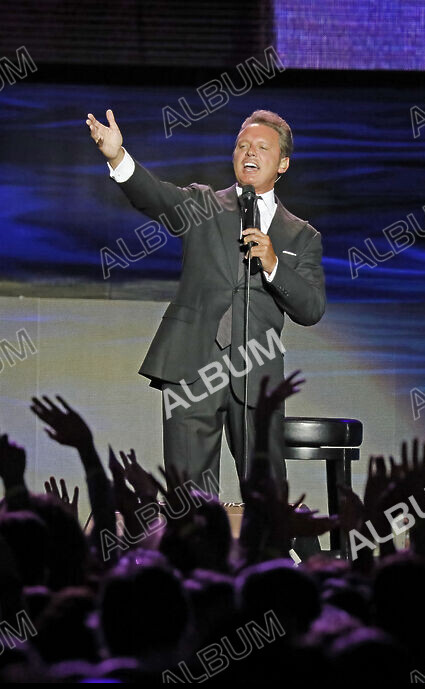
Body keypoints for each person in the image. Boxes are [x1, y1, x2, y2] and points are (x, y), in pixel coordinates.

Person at [85, 108, 325, 488]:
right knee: (189, 497)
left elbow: (311, 309)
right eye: (243, 145)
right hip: (191, 369)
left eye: (263, 147)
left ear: (283, 163)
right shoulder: (203, 205)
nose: (250, 152)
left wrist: (275, 264)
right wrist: (117, 156)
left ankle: (273, 549)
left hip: (256, 373)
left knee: (266, 494)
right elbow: (155, 197)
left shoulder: (301, 236)